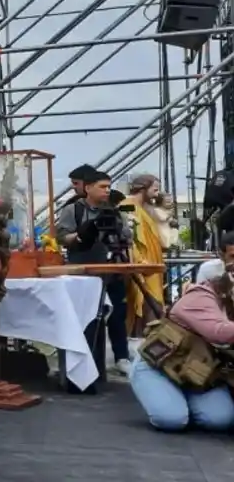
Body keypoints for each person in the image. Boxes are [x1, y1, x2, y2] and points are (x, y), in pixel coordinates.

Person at [129, 232, 234, 432]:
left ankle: (185, 400)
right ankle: (167, 399)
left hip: (202, 371)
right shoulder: (202, 294)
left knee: (221, 420)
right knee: (172, 420)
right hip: (160, 365)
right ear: (221, 257)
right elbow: (218, 332)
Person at [57, 170, 133, 378]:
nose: (107, 191)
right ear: (88, 188)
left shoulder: (115, 211)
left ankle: (122, 357)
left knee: (117, 314)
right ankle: (86, 362)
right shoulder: (73, 210)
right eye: (102, 186)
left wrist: (119, 230)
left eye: (109, 187)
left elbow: (127, 237)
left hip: (113, 268)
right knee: (88, 318)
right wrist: (82, 234)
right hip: (83, 270)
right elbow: (61, 237)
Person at [122, 174, 171, 336]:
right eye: (155, 189)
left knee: (153, 303)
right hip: (142, 266)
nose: (157, 194)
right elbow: (129, 240)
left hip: (152, 266)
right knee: (146, 304)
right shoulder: (127, 206)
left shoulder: (144, 208)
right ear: (143, 188)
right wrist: (140, 262)